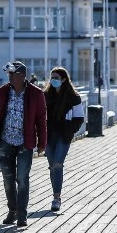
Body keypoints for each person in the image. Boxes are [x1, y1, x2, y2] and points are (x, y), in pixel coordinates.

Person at [0, 61, 47, 228]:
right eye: (8, 74)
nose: (9, 76)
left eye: (12, 74)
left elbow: (41, 120)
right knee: (8, 179)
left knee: (22, 179)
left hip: (26, 142)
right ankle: (12, 211)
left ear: (22, 76)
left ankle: (22, 214)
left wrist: (42, 143)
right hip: (6, 141)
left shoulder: (36, 94)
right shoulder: (2, 92)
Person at [43, 66, 84, 212]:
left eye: (56, 78)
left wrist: (70, 131)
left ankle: (56, 197)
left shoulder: (73, 97)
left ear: (64, 79)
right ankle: (56, 192)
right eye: (52, 77)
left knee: (58, 164)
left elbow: (79, 118)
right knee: (52, 166)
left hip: (63, 136)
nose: (53, 80)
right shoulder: (45, 95)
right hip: (48, 135)